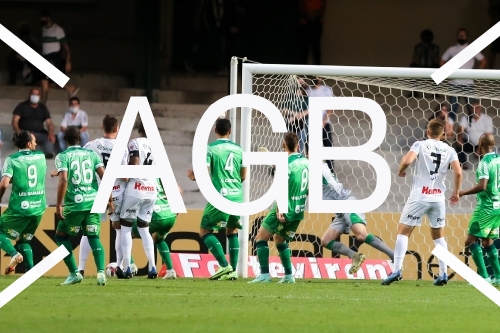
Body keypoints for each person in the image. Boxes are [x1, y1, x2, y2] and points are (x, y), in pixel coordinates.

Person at [381, 119, 462, 286]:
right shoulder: (450, 149)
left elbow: (407, 161)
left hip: (420, 196)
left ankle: (396, 270)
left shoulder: (420, 145)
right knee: (439, 237)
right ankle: (443, 274)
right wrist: (455, 192)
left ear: (427, 132)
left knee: (403, 231)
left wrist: (401, 170)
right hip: (438, 198)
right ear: (443, 134)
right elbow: (459, 173)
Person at [187, 118, 246, 281]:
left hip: (220, 195)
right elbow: (244, 176)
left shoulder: (210, 149)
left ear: (215, 131)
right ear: (230, 131)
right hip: (237, 196)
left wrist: (194, 178)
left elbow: (204, 173)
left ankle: (224, 265)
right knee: (232, 229)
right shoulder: (239, 149)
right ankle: (233, 270)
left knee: (205, 231)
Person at [249, 132, 309, 284]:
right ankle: (289, 276)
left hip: (285, 208)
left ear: (283, 145)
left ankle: (264, 275)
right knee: (279, 239)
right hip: (298, 209)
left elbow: (281, 187)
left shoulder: (286, 164)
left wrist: (280, 209)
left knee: (260, 239)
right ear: (298, 145)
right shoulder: (306, 163)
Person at [53, 126, 110, 286]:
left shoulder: (63, 156)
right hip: (93, 201)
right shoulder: (92, 154)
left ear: (65, 141)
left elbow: (64, 180)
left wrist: (58, 205)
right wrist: (110, 200)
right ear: (80, 139)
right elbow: (104, 177)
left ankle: (74, 273)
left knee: (61, 236)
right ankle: (100, 273)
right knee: (93, 237)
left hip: (75, 204)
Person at [75, 115, 131, 277]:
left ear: (102, 127)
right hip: (117, 192)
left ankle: (81, 268)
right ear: (117, 129)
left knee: (89, 231)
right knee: (119, 229)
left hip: (95, 192)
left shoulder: (91, 145)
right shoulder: (122, 148)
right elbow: (126, 176)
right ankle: (121, 265)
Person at [320, 161, 394, 272]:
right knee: (326, 241)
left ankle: (394, 257)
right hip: (340, 210)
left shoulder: (317, 168)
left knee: (361, 235)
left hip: (347, 204)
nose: (306, 155)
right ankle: (355, 256)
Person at [0, 131, 47, 274]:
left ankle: (14, 254)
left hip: (20, 208)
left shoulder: (11, 160)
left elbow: (3, 184)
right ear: (29, 144)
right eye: (34, 141)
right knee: (24, 240)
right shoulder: (41, 157)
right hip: (38, 207)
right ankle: (30, 270)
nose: (36, 144)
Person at [119, 122, 159, 279]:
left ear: (140, 131)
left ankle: (127, 266)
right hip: (152, 190)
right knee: (144, 229)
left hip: (137, 188)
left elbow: (134, 163)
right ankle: (153, 267)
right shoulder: (158, 147)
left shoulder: (135, 142)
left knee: (126, 227)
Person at [459, 133, 500, 285]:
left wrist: (463, 192)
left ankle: (483, 277)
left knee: (470, 240)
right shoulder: (499, 159)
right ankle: (498, 276)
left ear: (480, 142)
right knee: (488, 240)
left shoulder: (485, 162)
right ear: (493, 143)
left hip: (486, 207)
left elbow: (482, 186)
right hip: (497, 207)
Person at [131, 179, 181, 280]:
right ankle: (170, 270)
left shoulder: (139, 175)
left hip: (157, 215)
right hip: (169, 214)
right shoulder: (159, 173)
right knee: (158, 238)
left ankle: (130, 265)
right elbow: (178, 190)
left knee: (127, 233)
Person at [440, 28, 487, 122]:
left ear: (467, 36)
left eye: (463, 34)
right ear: (456, 36)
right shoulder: (451, 49)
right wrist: (447, 74)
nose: (461, 36)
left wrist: (475, 74)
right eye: (460, 34)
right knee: (453, 108)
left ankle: (471, 130)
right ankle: (450, 131)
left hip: (468, 83)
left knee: (471, 109)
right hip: (454, 83)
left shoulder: (472, 49)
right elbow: (442, 60)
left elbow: (483, 61)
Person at [37, 8, 78, 104]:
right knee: (44, 82)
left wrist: (68, 61)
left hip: (53, 57)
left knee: (48, 80)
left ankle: (70, 88)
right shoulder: (44, 29)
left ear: (48, 18)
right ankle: (44, 103)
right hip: (45, 56)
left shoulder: (58, 30)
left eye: (43, 18)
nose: (41, 20)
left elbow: (66, 47)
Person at [12, 88, 55, 159]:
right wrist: (19, 132)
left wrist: (50, 133)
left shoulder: (43, 108)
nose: (35, 96)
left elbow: (49, 123)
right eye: (33, 94)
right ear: (29, 95)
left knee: (49, 138)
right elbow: (14, 121)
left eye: (37, 94)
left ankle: (48, 153)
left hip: (39, 133)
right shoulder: (22, 106)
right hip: (25, 132)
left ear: (40, 96)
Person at [305, 78, 334, 171]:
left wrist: (324, 121)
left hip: (324, 124)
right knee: (310, 148)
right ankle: (313, 170)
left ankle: (330, 171)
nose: (316, 79)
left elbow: (330, 107)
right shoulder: (307, 90)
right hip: (310, 124)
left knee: (328, 147)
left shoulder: (326, 90)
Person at [456, 100, 494, 169]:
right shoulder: (466, 118)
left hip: (482, 144)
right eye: (472, 108)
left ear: (480, 108)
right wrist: (460, 138)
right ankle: (463, 163)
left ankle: (483, 167)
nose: (474, 110)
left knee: (487, 146)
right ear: (470, 109)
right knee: (457, 141)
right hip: (469, 144)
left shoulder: (487, 119)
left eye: (477, 108)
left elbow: (488, 135)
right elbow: (460, 130)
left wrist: (480, 148)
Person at [6, 21, 38, 86]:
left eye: (25, 28)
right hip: (19, 62)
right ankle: (12, 81)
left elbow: (38, 51)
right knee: (10, 59)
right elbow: (11, 53)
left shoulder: (32, 39)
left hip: (29, 62)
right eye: (22, 28)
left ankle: (31, 81)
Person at [299, 0, 326, 65]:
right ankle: (303, 68)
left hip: (317, 21)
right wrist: (306, 15)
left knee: (316, 46)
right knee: (305, 46)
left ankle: (317, 67)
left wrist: (316, 15)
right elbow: (301, 6)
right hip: (305, 21)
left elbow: (323, 6)